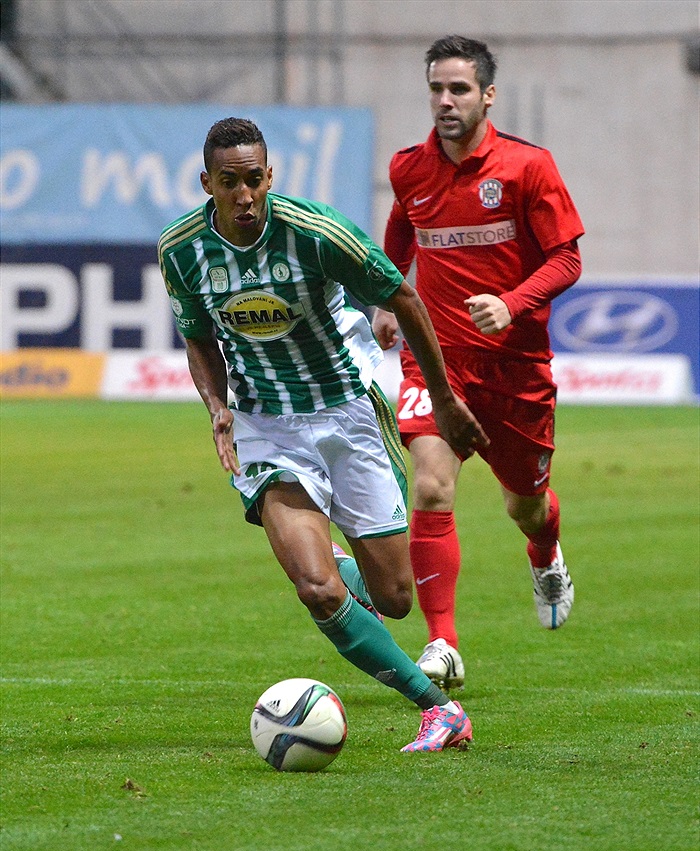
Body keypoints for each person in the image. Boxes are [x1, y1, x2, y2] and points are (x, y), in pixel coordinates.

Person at [157, 117, 490, 752]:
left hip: (347, 415)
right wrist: (217, 408)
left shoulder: (317, 233)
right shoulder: (181, 249)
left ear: (269, 176)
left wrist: (443, 402)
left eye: (254, 180)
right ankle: (438, 710)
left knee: (394, 599)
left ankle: (338, 559)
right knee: (315, 589)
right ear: (208, 183)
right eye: (230, 183)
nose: (245, 195)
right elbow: (198, 335)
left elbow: (406, 300)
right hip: (264, 426)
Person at [372, 36, 584, 690]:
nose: (445, 101)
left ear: (487, 95)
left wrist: (513, 303)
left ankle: (544, 553)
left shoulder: (528, 168)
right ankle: (443, 643)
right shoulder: (410, 169)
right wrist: (387, 294)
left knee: (525, 505)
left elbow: (568, 259)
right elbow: (402, 230)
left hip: (515, 370)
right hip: (437, 363)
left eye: (459, 89)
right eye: (436, 88)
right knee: (431, 485)